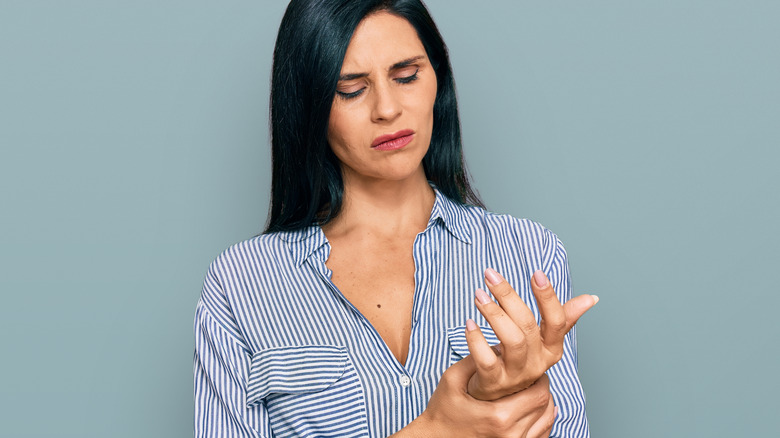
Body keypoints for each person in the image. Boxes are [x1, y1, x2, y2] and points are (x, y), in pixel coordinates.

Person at [193, 1, 598, 437]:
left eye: (406, 76)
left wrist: (495, 397)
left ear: (437, 80)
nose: (387, 109)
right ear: (309, 107)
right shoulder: (240, 284)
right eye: (350, 89)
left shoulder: (528, 253)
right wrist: (439, 429)